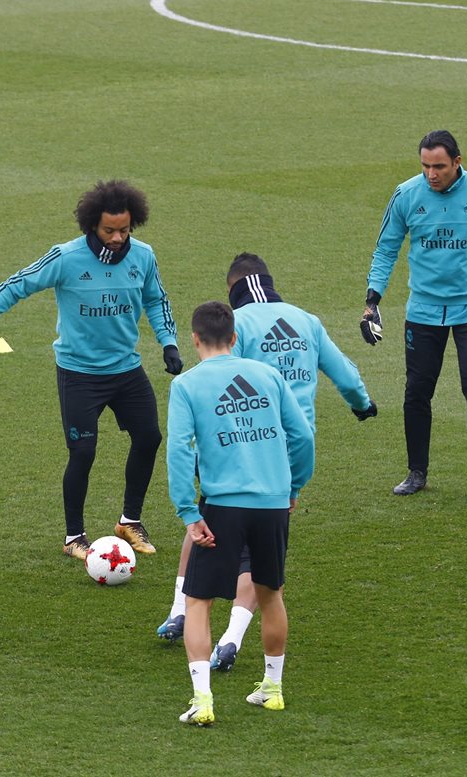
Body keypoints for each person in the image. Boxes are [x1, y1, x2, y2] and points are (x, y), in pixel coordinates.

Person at [157, 253, 377, 672]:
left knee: (206, 523)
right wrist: (362, 404)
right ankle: (233, 637)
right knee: (261, 560)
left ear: (232, 289)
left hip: (234, 444)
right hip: (285, 459)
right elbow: (342, 372)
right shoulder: (306, 320)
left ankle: (180, 610)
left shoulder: (241, 325)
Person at [0, 180, 182, 560]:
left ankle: (130, 520)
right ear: (92, 224)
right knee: (83, 452)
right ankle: (74, 537)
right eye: (109, 230)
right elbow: (17, 285)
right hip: (79, 373)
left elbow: (156, 300)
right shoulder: (65, 257)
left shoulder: (143, 257)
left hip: (126, 370)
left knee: (149, 438)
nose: (117, 238)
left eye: (124, 230)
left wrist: (169, 342)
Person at [363, 130, 467, 504]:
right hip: (422, 311)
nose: (431, 174)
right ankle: (416, 472)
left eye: (438, 166)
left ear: (457, 161)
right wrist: (372, 300)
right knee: (417, 391)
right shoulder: (406, 195)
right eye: (424, 166)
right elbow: (385, 249)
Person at [168, 301, 314, 726]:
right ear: (235, 338)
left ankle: (203, 699)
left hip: (223, 507)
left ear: (195, 339)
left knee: (197, 601)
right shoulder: (267, 375)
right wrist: (294, 486)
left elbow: (179, 451)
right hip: (271, 505)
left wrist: (186, 512)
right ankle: (272, 689)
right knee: (270, 595)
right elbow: (301, 434)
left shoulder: (187, 385)